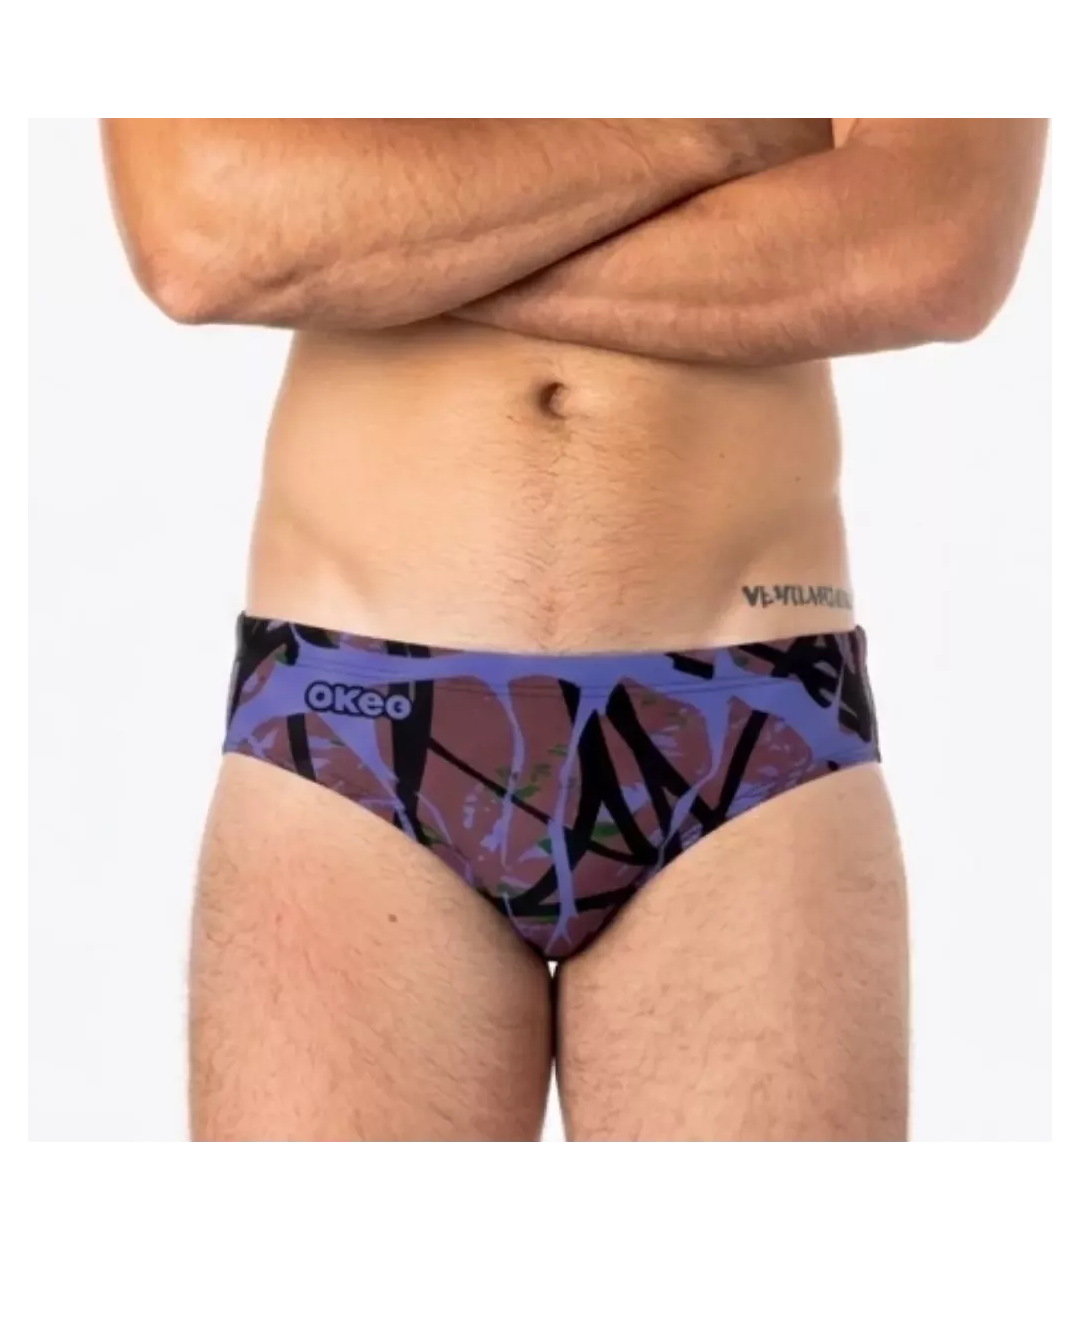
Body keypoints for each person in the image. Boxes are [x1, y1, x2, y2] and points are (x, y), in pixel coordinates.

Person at [102, 113, 1048, 1142]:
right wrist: (714, 134)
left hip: (750, 729)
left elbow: (937, 248)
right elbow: (199, 234)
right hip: (354, 725)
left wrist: (390, 257)